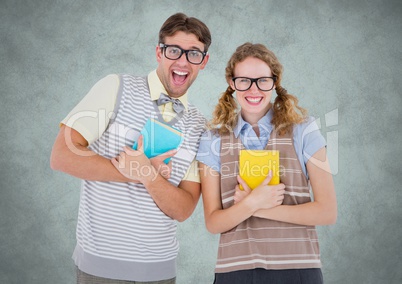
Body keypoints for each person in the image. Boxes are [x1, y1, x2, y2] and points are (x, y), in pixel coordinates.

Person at [50, 13, 211, 284]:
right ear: (158, 53)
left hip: (161, 273)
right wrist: (137, 171)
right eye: (174, 50)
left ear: (204, 62)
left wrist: (147, 174)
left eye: (193, 54)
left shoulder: (200, 127)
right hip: (99, 271)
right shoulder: (116, 87)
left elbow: (183, 209)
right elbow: (62, 156)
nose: (183, 61)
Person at [196, 42, 337, 284]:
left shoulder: (304, 130)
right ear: (232, 83)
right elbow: (213, 222)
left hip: (298, 269)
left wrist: (258, 206)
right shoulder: (212, 140)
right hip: (235, 272)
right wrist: (252, 202)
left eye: (262, 80)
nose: (254, 89)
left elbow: (327, 211)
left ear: (274, 81)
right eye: (244, 80)